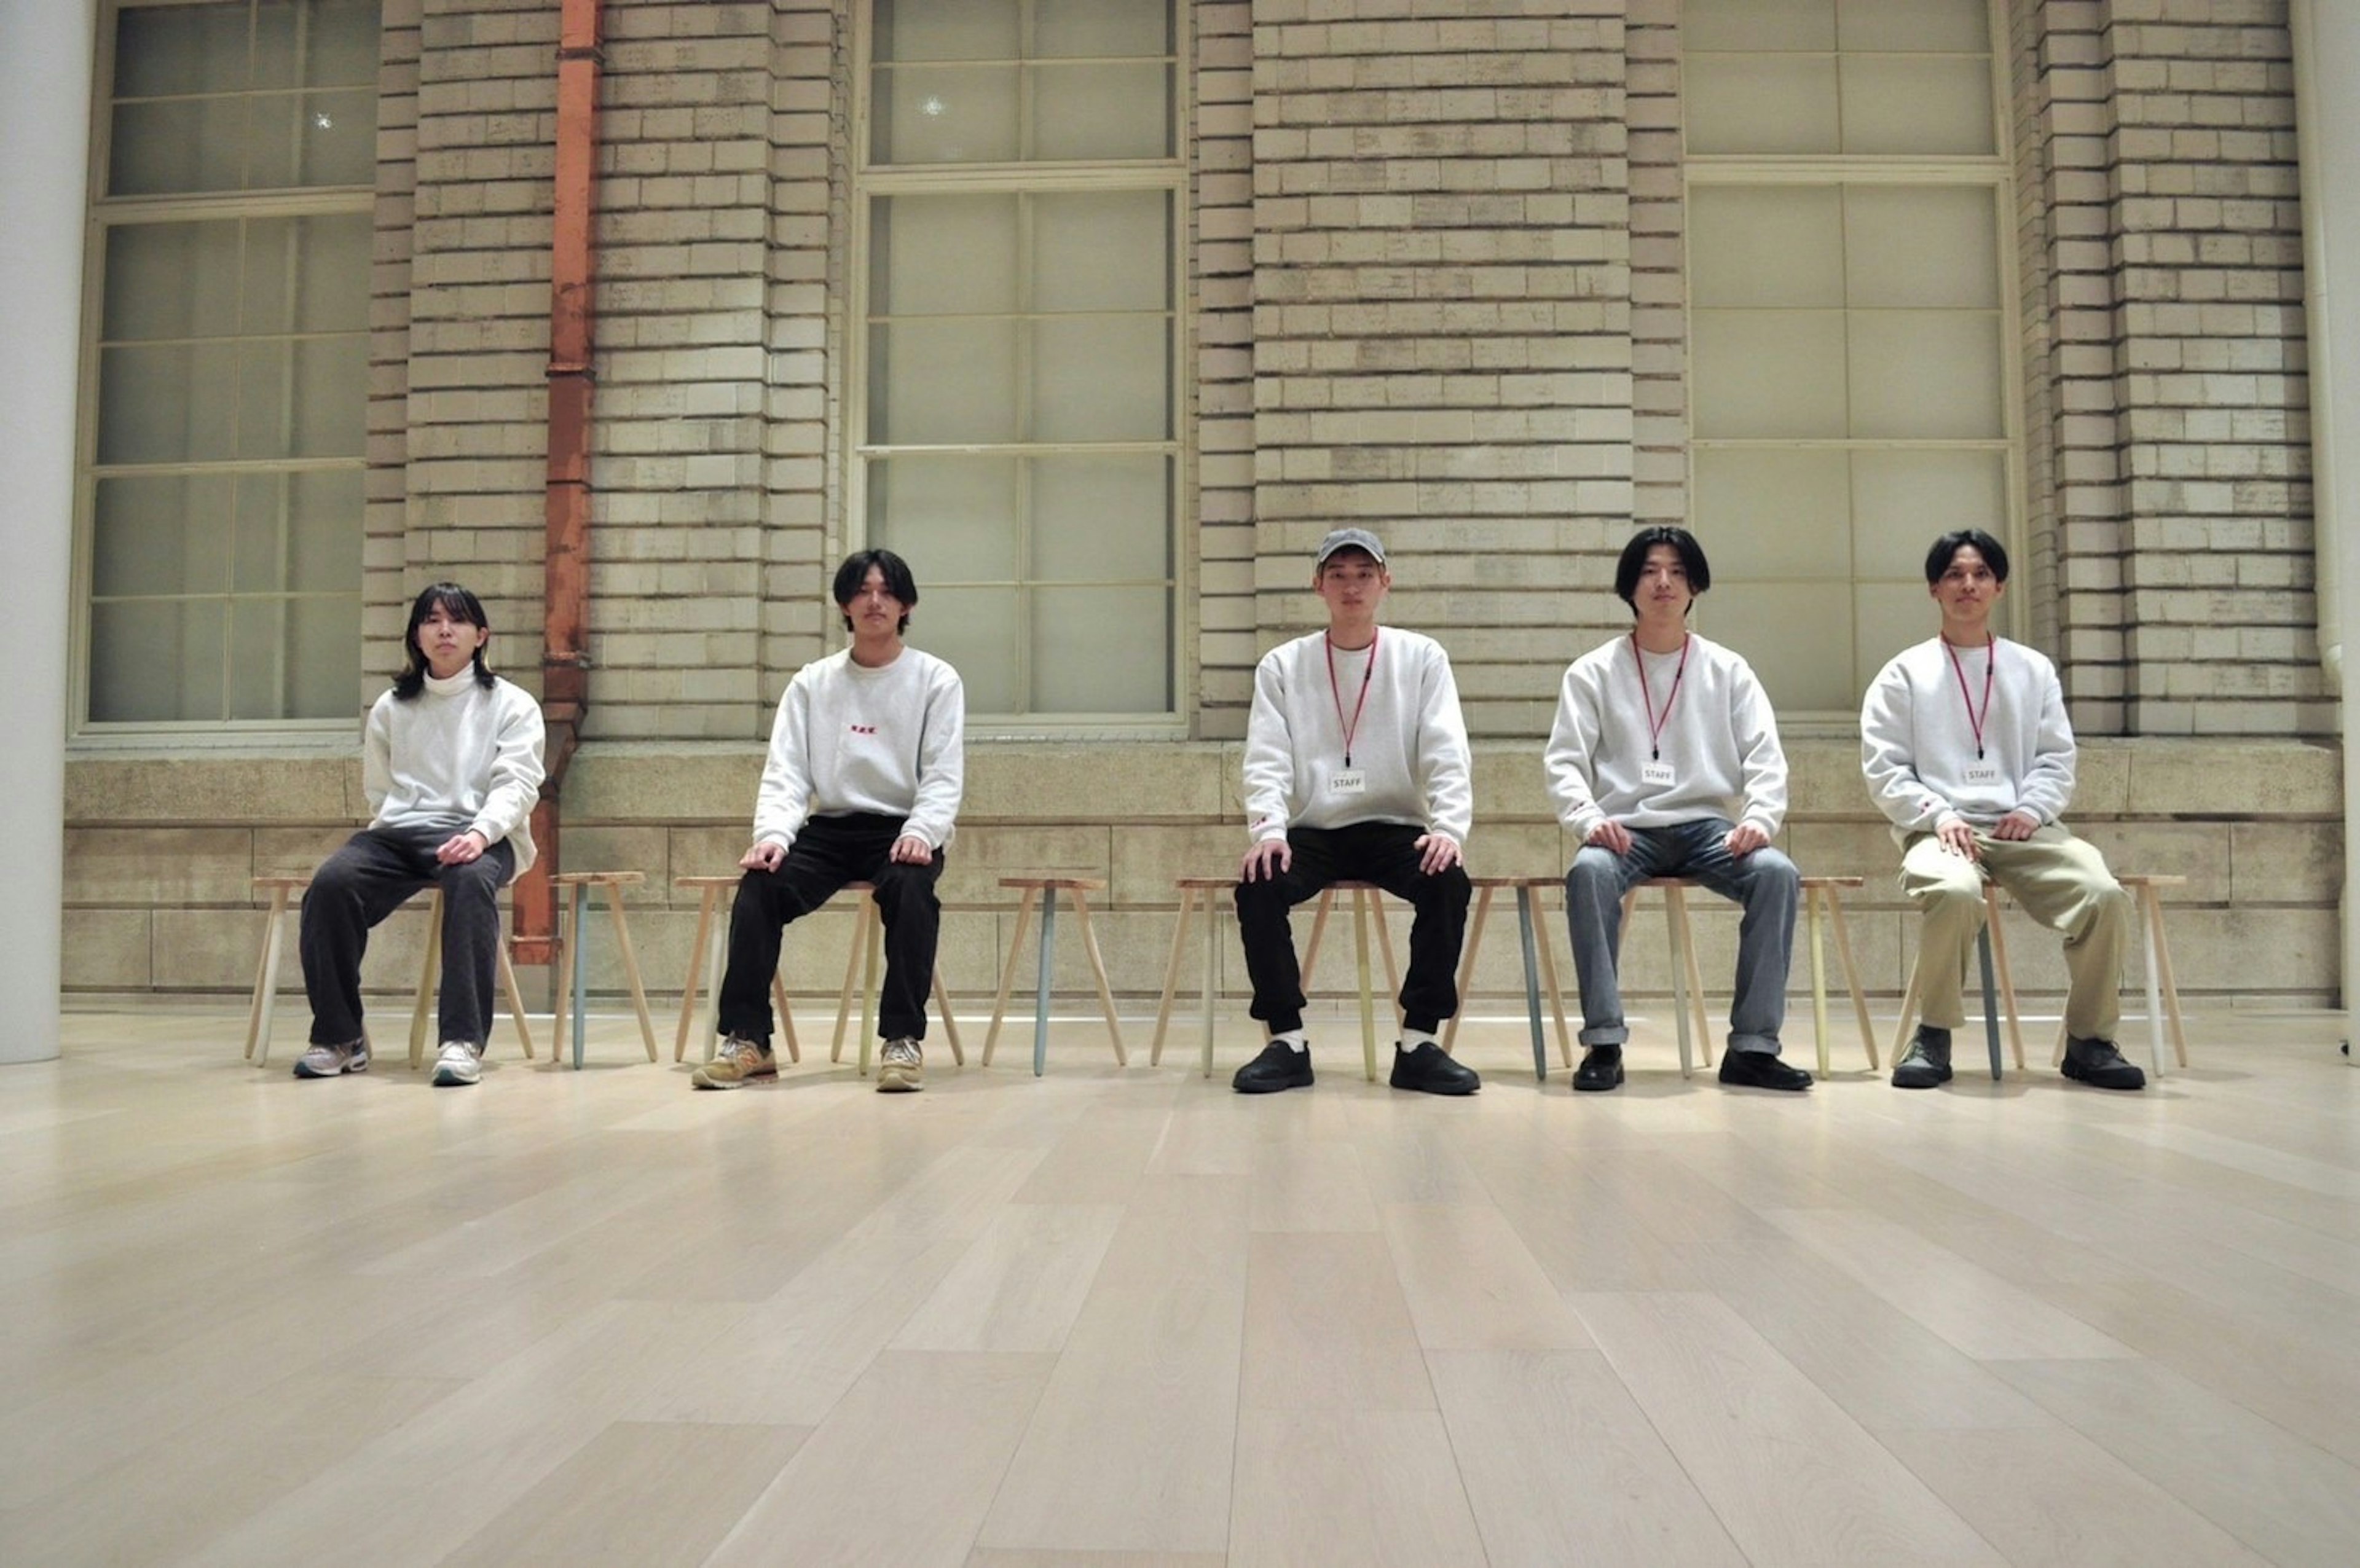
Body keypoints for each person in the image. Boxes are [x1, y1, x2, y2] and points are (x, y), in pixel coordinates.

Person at [1862, 528, 2144, 1091]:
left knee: (2105, 895)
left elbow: (2056, 757)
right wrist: (1939, 814)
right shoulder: (1904, 673)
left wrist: (2035, 809)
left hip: (2024, 830)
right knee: (1953, 890)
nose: (1968, 585)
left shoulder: (2032, 669)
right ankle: (1934, 1036)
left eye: (1981, 574)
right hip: (1940, 831)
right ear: (1934, 589)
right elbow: (1883, 767)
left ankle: (2089, 1042)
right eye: (1955, 575)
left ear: (2000, 587)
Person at [1544, 526, 1810, 1092]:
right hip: (1625, 830)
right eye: (1649, 571)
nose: (1663, 583)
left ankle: (1753, 1049)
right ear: (1630, 586)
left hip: (1707, 828)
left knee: (1777, 874)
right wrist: (1588, 820)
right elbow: (1564, 762)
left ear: (1695, 586)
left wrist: (1760, 819)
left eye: (1677, 572)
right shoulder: (1592, 672)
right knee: (1588, 872)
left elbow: (1766, 756)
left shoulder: (1728, 670)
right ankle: (1604, 1042)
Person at [693, 549, 964, 1092]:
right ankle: (749, 1039)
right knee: (759, 888)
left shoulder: (936, 679)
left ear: (907, 604)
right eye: (862, 591)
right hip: (831, 827)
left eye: (887, 591)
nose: (874, 601)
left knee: (913, 892)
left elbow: (942, 775)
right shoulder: (813, 683)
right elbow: (787, 773)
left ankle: (902, 1042)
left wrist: (921, 833)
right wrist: (772, 837)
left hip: (901, 829)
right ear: (844, 604)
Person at [1232, 527, 1479, 1095]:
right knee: (1258, 882)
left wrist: (1448, 829)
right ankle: (1286, 1040)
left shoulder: (1421, 657)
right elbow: (1266, 757)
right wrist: (1268, 830)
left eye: (1364, 575)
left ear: (1385, 583)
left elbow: (1447, 750)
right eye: (1338, 575)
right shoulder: (1282, 665)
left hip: (1395, 824)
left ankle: (1419, 1041)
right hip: (1314, 827)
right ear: (1318, 585)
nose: (1352, 587)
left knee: (1448, 879)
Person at [294, 582, 545, 1087]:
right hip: (399, 834)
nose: (444, 630)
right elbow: (379, 791)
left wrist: (480, 833)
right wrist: (395, 827)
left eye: (457, 620)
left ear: (481, 636)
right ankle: (341, 1037)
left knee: (470, 882)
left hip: (480, 831)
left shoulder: (512, 705)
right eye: (431, 620)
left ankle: (462, 1041)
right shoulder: (391, 707)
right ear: (416, 635)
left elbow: (518, 783)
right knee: (330, 886)